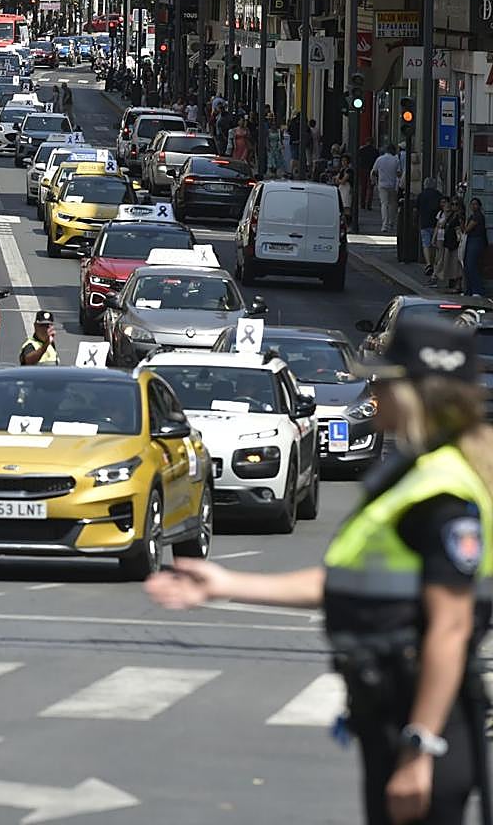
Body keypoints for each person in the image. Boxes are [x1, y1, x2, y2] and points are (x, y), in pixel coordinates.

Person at [146, 317, 491, 825]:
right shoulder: (415, 472)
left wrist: (420, 747)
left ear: (418, 391)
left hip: (419, 714)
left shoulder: (441, 492)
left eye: (384, 379)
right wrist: (226, 584)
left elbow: (452, 626)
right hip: (392, 706)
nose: (371, 390)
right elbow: (351, 581)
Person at [371, 145, 402, 234]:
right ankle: (391, 223)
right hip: (392, 184)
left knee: (384, 204)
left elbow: (374, 171)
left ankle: (384, 225)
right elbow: (399, 173)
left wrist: (374, 181)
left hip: (382, 184)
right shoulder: (396, 160)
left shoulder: (380, 159)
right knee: (392, 204)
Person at [416, 179, 443, 279]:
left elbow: (416, 209)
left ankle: (428, 263)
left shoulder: (421, 195)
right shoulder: (438, 195)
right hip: (436, 224)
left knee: (426, 244)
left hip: (424, 223)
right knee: (435, 244)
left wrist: (416, 220)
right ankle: (434, 264)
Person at [463, 198, 487, 297]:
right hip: (471, 240)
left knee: (471, 265)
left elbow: (467, 229)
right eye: (472, 204)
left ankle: (478, 290)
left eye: (475, 204)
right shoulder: (472, 216)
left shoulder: (478, 216)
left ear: (479, 206)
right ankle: (470, 290)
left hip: (476, 240)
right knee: (468, 266)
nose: (473, 206)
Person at [358, 139, 379, 210]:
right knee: (370, 188)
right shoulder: (375, 151)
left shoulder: (362, 150)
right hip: (371, 170)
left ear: (366, 142)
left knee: (363, 187)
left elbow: (358, 158)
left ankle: (362, 204)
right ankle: (369, 205)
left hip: (363, 169)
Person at [335, 154, 355, 225]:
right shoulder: (342, 170)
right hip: (341, 188)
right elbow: (337, 180)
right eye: (342, 161)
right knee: (342, 206)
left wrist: (339, 180)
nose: (343, 162)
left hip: (347, 189)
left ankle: (348, 223)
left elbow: (343, 180)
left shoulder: (349, 170)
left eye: (345, 161)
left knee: (347, 207)